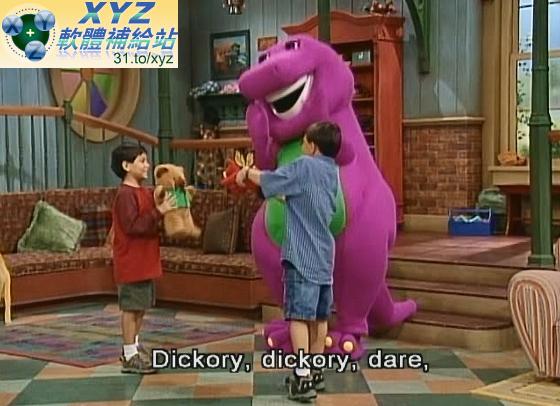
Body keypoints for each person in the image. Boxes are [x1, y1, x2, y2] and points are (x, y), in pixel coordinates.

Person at [236, 121, 341, 402]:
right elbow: (308, 201)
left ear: (313, 146)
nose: (303, 145)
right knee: (320, 318)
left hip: (302, 254)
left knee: (298, 317)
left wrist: (246, 172)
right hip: (324, 255)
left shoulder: (305, 165)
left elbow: (271, 179)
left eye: (305, 141)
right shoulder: (332, 172)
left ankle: (302, 377)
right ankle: (316, 371)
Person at [110, 144, 176, 374]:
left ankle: (134, 346)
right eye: (141, 161)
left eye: (146, 160)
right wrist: (160, 211)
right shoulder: (125, 195)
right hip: (132, 261)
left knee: (140, 307)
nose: (147, 165)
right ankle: (129, 354)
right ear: (126, 166)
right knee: (131, 308)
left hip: (145, 259)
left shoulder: (143, 191)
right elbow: (133, 226)